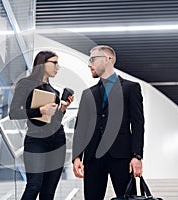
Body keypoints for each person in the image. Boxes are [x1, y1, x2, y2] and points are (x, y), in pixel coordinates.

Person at [72, 45, 144, 199]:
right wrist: (77, 157)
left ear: (107, 59)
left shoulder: (131, 88)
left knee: (128, 198)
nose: (89, 64)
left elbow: (138, 124)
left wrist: (137, 156)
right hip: (93, 157)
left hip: (121, 155)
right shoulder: (88, 94)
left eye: (92, 59)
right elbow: (81, 128)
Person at [9, 51, 73, 200]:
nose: (58, 67)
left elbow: (54, 120)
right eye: (54, 63)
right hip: (36, 139)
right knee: (34, 185)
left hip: (57, 140)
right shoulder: (25, 84)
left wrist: (62, 109)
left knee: (48, 192)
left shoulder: (53, 91)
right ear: (43, 63)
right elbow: (13, 113)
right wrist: (40, 110)